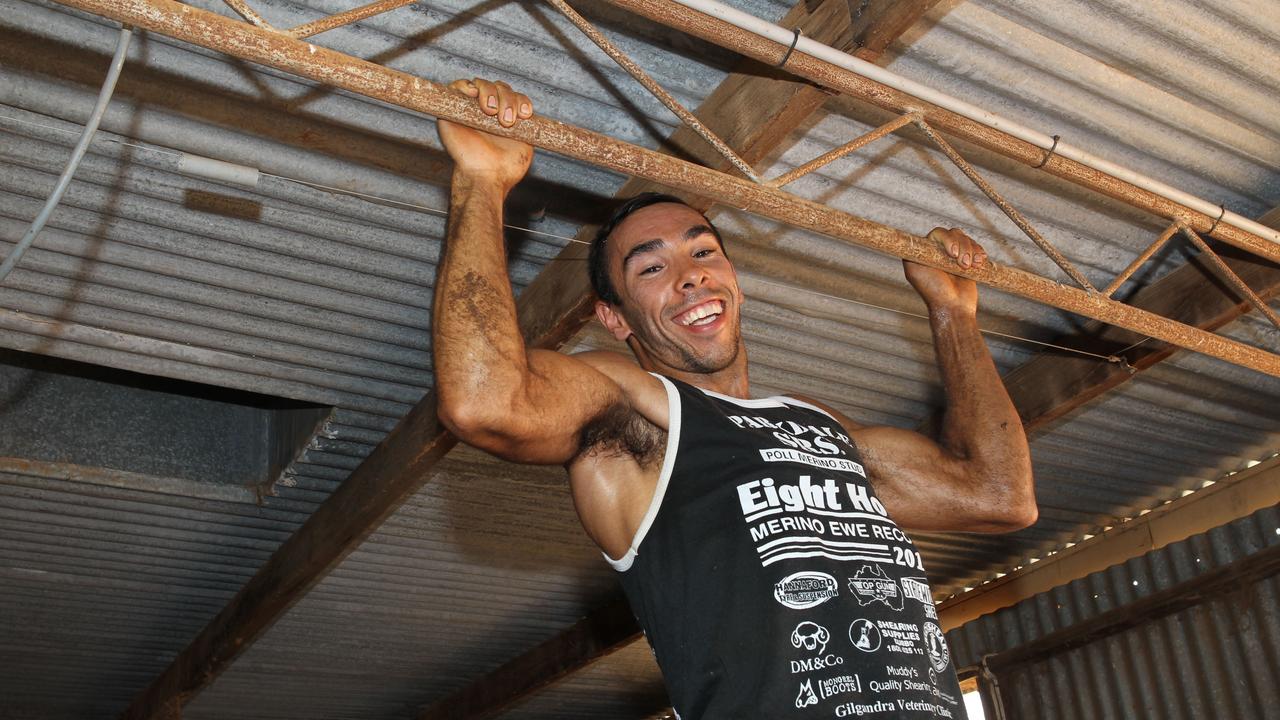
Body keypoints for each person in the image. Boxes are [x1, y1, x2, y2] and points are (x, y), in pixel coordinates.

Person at [434, 78, 1036, 720]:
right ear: (617, 320)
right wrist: (482, 179)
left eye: (702, 252)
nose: (691, 273)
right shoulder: (637, 412)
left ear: (734, 283)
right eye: (652, 267)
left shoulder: (818, 423)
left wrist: (953, 312)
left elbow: (1000, 496)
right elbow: (485, 402)